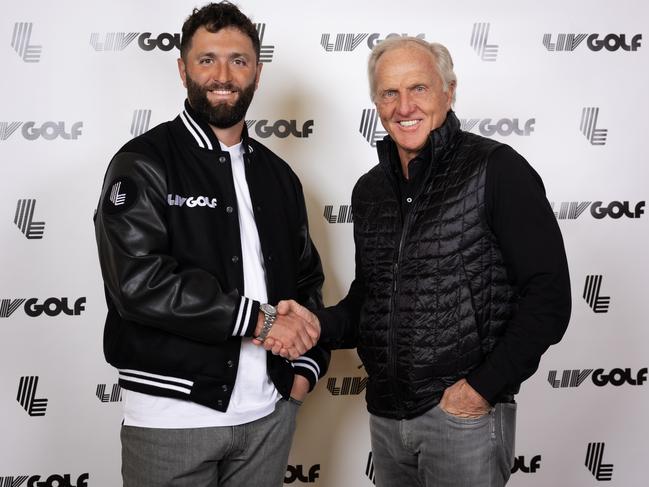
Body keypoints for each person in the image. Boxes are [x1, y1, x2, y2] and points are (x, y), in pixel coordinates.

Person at [268, 37, 571, 487]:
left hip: (461, 417)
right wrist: (314, 324)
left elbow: (549, 295)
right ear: (376, 101)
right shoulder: (369, 191)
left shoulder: (497, 169)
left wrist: (482, 389)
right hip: (388, 420)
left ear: (448, 92)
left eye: (419, 89)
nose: (403, 105)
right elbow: (370, 301)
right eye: (389, 92)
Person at [94, 2, 328, 486]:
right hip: (172, 419)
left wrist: (301, 376)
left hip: (268, 416)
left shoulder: (278, 176)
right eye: (207, 60)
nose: (223, 75)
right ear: (183, 69)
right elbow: (137, 282)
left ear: (257, 74)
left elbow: (307, 281)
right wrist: (258, 321)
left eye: (238, 61)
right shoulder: (143, 162)